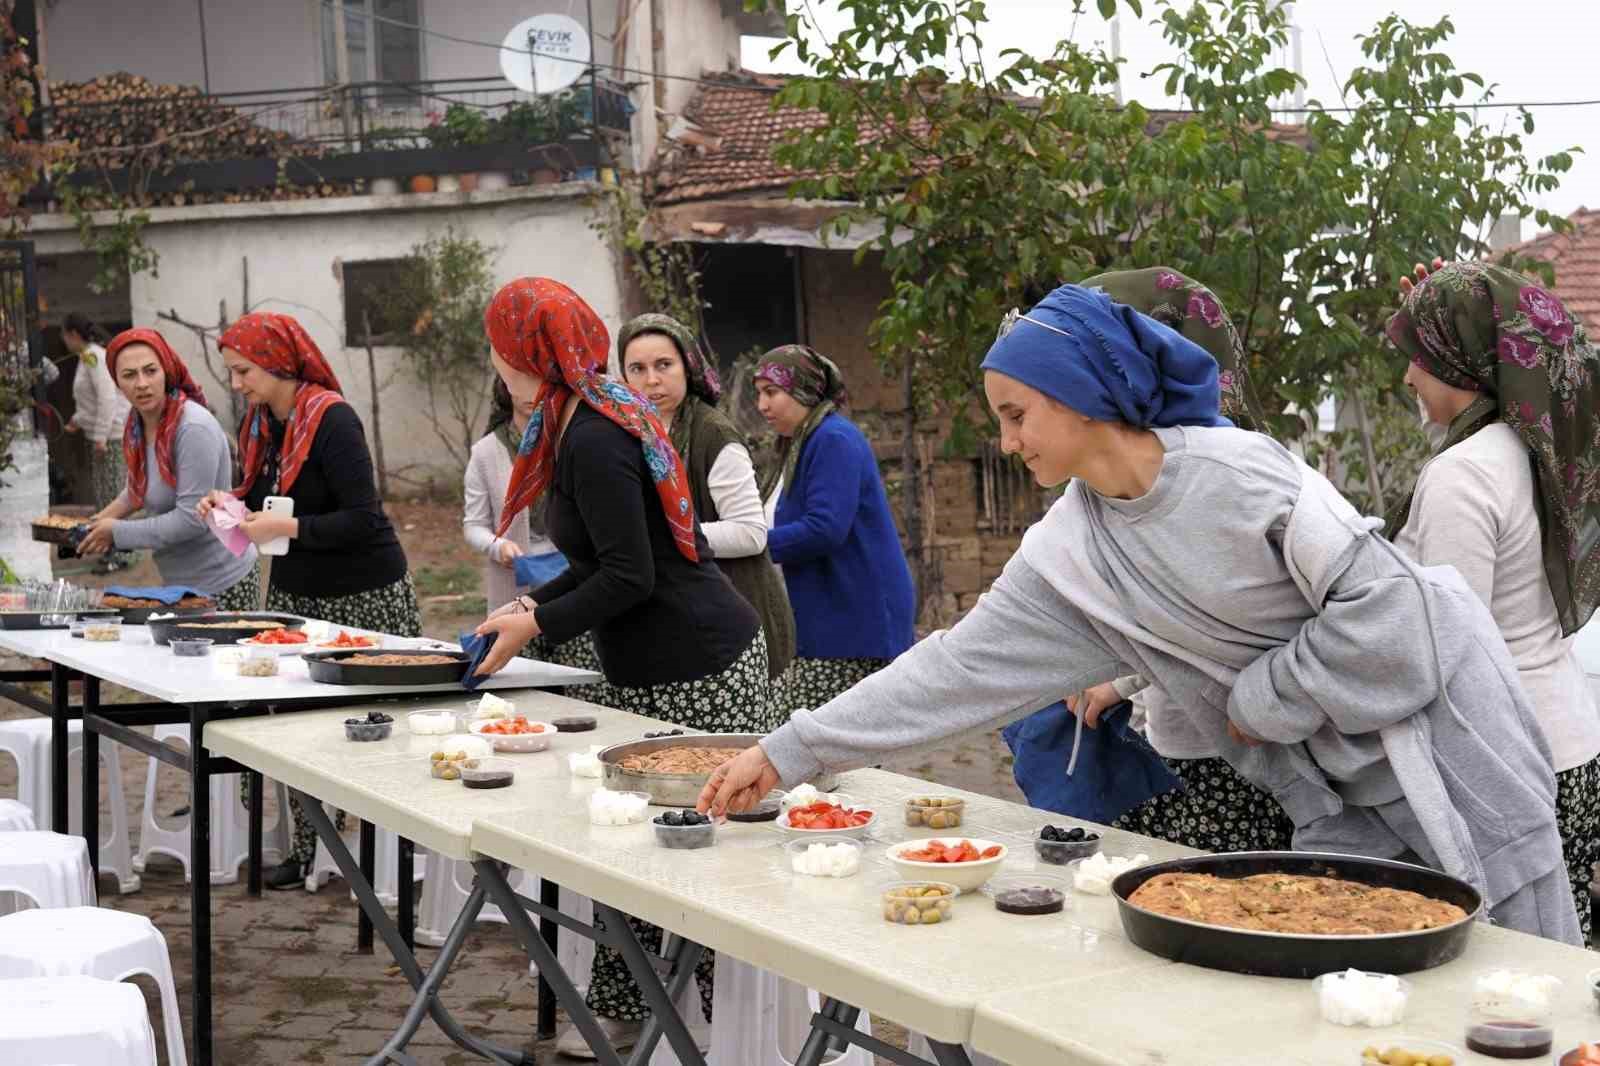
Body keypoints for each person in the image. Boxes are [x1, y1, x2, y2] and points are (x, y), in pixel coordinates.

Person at [702, 280, 1581, 944]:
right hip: (1333, 790)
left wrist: (1258, 700)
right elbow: (953, 671)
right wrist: (794, 750)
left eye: (1016, 416)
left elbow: (1394, 623)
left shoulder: (1245, 476)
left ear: (1082, 390)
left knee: (1509, 986)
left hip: (1447, 748)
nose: (1005, 443)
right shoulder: (1072, 554)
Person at [470, 278, 778, 1057]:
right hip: (657, 662)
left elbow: (632, 576)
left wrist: (536, 618)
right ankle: (656, 1020)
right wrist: (527, 611)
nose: (496, 364)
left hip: (699, 665)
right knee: (648, 854)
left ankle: (721, 1030)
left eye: (502, 349)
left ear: (529, 354)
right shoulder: (576, 420)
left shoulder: (595, 436)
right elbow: (600, 561)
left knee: (699, 856)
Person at [1385, 260, 1600, 940]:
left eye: (1417, 355)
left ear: (1456, 358)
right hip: (1569, 746)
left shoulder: (1464, 475)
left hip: (1509, 766)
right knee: (1557, 990)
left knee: (1503, 989)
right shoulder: (1543, 452)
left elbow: (1450, 647)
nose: (1408, 376)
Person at [1047, 268, 1296, 852]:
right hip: (1171, 738)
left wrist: (1120, 682)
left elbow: (1204, 626)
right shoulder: (1136, 470)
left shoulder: (1229, 480)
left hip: (1230, 755)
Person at [196, 311, 419, 888]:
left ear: (278, 362)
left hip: (363, 594)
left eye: (245, 370)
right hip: (301, 593)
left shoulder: (331, 419)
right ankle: (305, 849)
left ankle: (386, 859)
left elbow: (362, 517)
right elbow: (263, 495)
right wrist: (229, 503)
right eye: (234, 372)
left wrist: (286, 531)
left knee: (367, 726)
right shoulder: (264, 425)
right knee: (296, 719)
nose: (239, 383)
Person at [620, 313, 796, 679]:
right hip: (676, 620)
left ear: (687, 367)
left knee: (732, 739)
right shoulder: (631, 432)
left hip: (736, 621)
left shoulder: (712, 434)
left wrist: (665, 534)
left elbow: (751, 533)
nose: (651, 380)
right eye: (636, 368)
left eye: (663, 365)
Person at [753, 345, 915, 709]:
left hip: (854, 621)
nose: (761, 405)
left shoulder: (832, 439)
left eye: (771, 392)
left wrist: (751, 547)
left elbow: (825, 528)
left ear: (804, 391)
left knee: (828, 741)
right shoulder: (798, 445)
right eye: (758, 393)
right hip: (831, 617)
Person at [75, 329, 259, 609]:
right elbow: (139, 487)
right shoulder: (137, 423)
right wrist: (97, 524)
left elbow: (192, 519)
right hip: (179, 579)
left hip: (223, 580)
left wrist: (116, 532)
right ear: (116, 382)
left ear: (167, 370)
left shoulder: (192, 427)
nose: (142, 384)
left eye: (150, 371)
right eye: (129, 375)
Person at [463, 379, 563, 613]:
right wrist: (499, 547)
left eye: (540, 382)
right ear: (504, 388)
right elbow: (474, 526)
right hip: (513, 592)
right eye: (522, 381)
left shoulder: (570, 441)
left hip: (570, 585)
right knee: (518, 649)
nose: (532, 392)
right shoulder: (485, 453)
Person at [62, 312, 133, 572]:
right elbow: (90, 401)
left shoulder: (94, 358)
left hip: (111, 435)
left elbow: (107, 399)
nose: (63, 340)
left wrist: (101, 436)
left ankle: (122, 554)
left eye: (64, 335)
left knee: (114, 494)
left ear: (73, 335)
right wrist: (77, 420)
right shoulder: (87, 358)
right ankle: (112, 550)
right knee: (105, 494)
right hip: (101, 434)